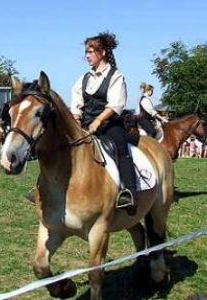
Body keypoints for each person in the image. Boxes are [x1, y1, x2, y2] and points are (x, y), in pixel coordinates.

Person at [71, 31, 137, 214]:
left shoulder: (116, 76)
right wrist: (76, 119)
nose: (87, 56)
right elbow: (76, 104)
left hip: (109, 125)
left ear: (103, 53)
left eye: (90, 52)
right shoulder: (83, 78)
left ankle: (129, 192)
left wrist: (98, 120)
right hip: (85, 125)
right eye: (86, 52)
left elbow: (116, 104)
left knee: (121, 147)